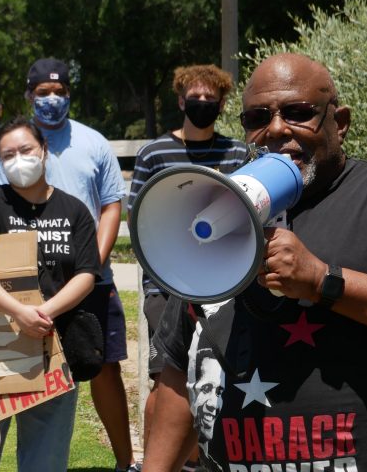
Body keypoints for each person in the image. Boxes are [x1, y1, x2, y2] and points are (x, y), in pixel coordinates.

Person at [142, 53, 367, 471]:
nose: (276, 129)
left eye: (298, 112)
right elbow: (180, 371)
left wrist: (323, 281)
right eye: (257, 117)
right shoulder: (223, 210)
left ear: (339, 123)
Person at [0, 58, 135, 472]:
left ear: (69, 93)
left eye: (59, 91)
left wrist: (93, 263)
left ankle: (126, 462)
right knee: (26, 371)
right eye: (42, 93)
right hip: (27, 288)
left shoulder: (94, 143)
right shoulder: (9, 149)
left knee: (104, 366)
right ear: (29, 96)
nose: (51, 100)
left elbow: (110, 206)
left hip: (90, 280)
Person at [0, 117, 100, 472]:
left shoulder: (74, 211)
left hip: (54, 350)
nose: (19, 159)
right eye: (7, 154)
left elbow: (86, 274)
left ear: (43, 150)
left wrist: (43, 313)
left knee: (46, 460)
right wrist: (17, 312)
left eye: (26, 150)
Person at [127, 64, 248, 457]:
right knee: (165, 380)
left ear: (222, 104)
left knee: (213, 373)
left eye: (210, 100)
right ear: (180, 101)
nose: (201, 105)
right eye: (194, 99)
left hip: (225, 285)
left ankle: (199, 458)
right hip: (167, 285)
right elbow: (139, 219)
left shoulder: (238, 152)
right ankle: (153, 460)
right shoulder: (153, 153)